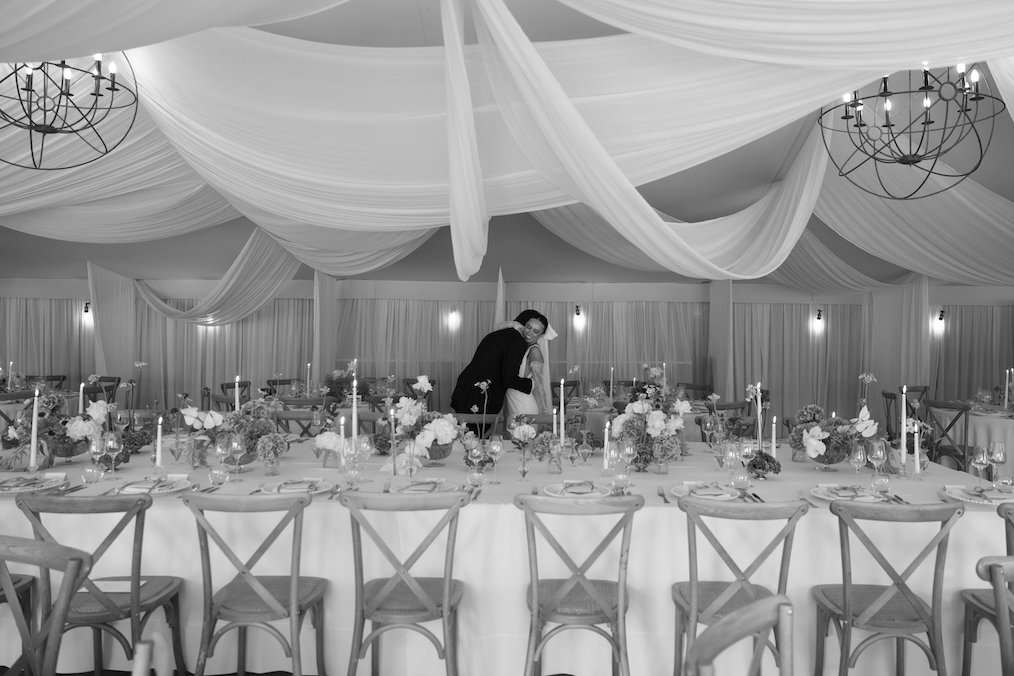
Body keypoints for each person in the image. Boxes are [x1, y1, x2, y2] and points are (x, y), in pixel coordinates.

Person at [450, 310, 538, 419]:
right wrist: (532, 383)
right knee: (475, 434)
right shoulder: (517, 341)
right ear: (526, 325)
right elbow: (509, 378)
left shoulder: (502, 334)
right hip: (479, 395)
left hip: (466, 389)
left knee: (464, 433)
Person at [504, 310, 553, 420]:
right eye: (528, 327)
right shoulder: (519, 345)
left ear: (541, 335)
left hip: (523, 405)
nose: (529, 333)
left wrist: (543, 414)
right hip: (514, 401)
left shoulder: (534, 351)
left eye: (536, 331)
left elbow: (538, 384)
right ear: (524, 325)